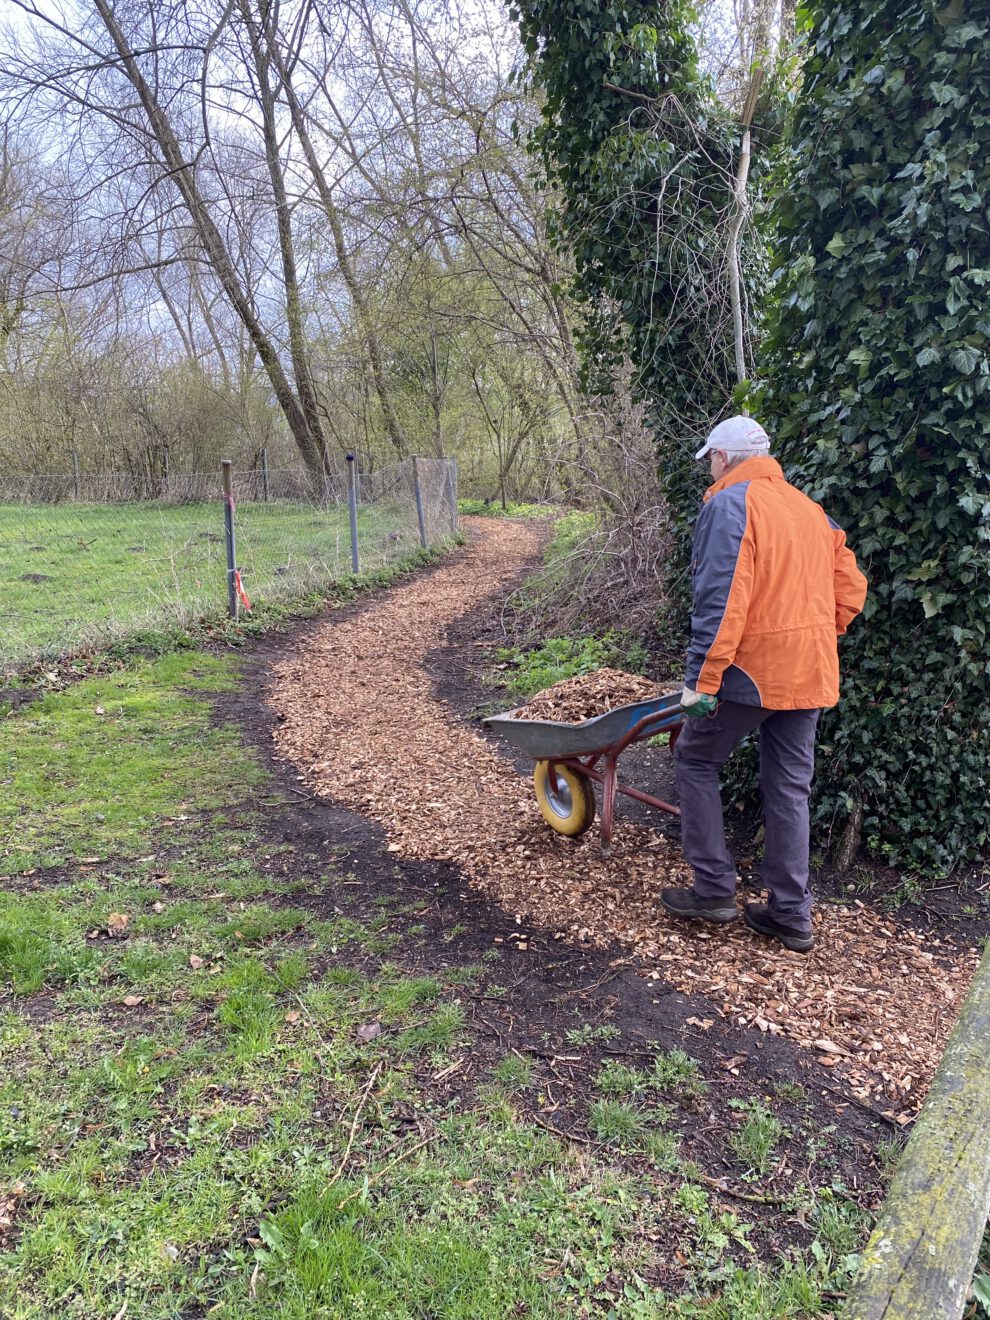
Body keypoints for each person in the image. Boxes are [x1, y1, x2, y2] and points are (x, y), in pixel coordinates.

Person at [660, 415, 867, 953]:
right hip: (811, 670)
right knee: (789, 788)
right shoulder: (809, 509)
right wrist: (815, 634)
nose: (709, 467)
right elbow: (851, 590)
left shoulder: (729, 503)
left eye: (710, 458)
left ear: (723, 458)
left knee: (696, 760)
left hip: (752, 672)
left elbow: (721, 599)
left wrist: (701, 682)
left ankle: (712, 890)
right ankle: (791, 913)